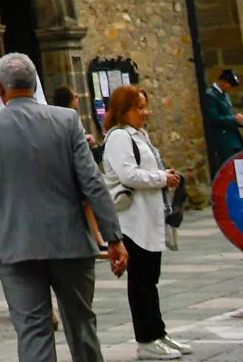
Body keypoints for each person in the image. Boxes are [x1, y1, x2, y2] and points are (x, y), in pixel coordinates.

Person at [0, 52, 126, 362]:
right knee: (82, 325)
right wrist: (113, 236)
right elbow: (92, 182)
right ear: (35, 82)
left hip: (15, 244)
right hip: (70, 242)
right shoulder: (66, 120)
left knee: (32, 330)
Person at [98, 85, 186, 360]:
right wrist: (162, 178)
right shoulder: (119, 138)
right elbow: (128, 175)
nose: (145, 113)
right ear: (124, 110)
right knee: (140, 282)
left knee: (150, 279)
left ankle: (158, 332)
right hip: (132, 221)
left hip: (148, 216)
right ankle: (146, 339)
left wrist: (163, 174)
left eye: (145, 106)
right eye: (139, 107)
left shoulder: (139, 135)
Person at [201, 69, 243, 177]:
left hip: (234, 139)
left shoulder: (225, 95)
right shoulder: (211, 95)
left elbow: (228, 113)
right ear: (223, 82)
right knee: (228, 172)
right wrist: (234, 119)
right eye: (230, 85)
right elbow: (214, 118)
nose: (231, 89)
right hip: (223, 141)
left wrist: (239, 121)